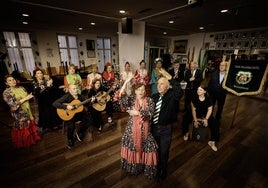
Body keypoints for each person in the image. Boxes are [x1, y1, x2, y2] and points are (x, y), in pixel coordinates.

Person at [116, 76, 158, 179]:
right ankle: (135, 168)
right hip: (132, 129)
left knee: (151, 147)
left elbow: (150, 113)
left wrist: (137, 112)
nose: (141, 91)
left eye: (143, 89)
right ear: (135, 91)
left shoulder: (149, 100)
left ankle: (146, 168)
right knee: (132, 146)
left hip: (146, 129)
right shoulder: (131, 99)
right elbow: (121, 100)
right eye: (139, 89)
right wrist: (125, 82)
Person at [151, 69, 183, 180]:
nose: (159, 86)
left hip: (165, 130)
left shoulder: (173, 96)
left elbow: (179, 90)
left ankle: (163, 170)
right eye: (158, 84)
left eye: (162, 84)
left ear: (168, 86)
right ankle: (156, 167)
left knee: (164, 152)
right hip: (154, 129)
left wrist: (169, 78)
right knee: (155, 150)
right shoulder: (154, 97)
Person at [2, 75, 41, 149]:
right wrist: (25, 98)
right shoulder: (6, 93)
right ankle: (24, 143)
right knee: (23, 127)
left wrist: (29, 96)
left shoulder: (21, 88)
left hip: (27, 110)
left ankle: (32, 139)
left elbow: (27, 97)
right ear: (6, 83)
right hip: (19, 113)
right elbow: (13, 105)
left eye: (13, 79)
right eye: (9, 80)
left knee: (29, 124)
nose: (13, 81)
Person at [52, 84, 92, 149]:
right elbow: (54, 103)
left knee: (89, 120)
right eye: (74, 89)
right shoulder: (67, 97)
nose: (76, 90)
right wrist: (66, 106)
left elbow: (87, 104)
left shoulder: (80, 96)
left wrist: (91, 101)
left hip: (78, 114)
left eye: (76, 88)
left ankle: (80, 133)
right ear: (70, 91)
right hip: (69, 115)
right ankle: (70, 139)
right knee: (71, 126)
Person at [191, 85, 219, 152]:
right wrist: (195, 120)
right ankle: (186, 133)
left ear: (205, 92)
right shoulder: (194, 98)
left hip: (206, 115)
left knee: (215, 124)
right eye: (198, 89)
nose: (198, 91)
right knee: (185, 119)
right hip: (196, 114)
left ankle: (212, 141)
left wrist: (206, 119)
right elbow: (193, 110)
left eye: (200, 90)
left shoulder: (208, 99)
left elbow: (210, 110)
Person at [32, 69, 61, 133]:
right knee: (45, 112)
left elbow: (53, 89)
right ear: (35, 75)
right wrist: (47, 86)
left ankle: (54, 124)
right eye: (38, 73)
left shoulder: (46, 80)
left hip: (49, 99)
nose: (40, 74)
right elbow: (38, 93)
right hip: (42, 101)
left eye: (41, 73)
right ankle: (48, 126)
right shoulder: (35, 83)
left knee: (52, 111)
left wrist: (51, 85)